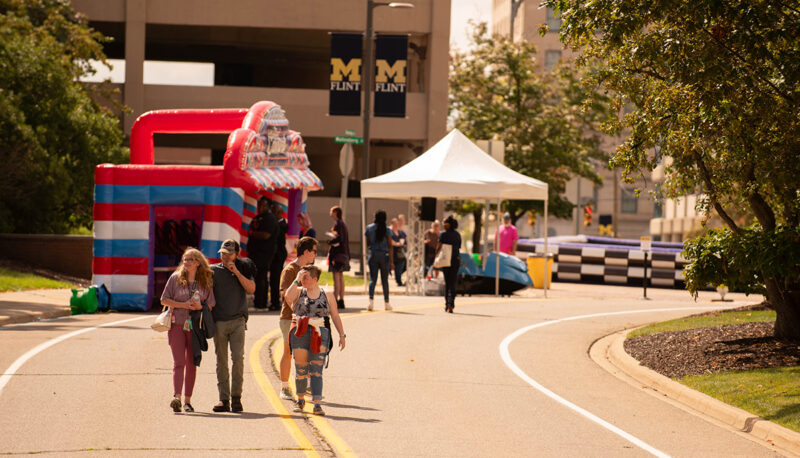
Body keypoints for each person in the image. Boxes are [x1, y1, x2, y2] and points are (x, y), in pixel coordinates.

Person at [285, 265, 346, 416]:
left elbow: (335, 315)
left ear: (315, 279)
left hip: (320, 333)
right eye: (302, 277)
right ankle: (300, 401)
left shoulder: (327, 294)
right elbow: (287, 297)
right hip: (300, 333)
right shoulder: (298, 292)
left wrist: (342, 335)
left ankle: (317, 404)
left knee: (316, 371)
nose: (303, 280)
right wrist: (296, 280)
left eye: (306, 277)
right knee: (300, 369)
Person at [160, 248, 216, 413]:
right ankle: (176, 397)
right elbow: (164, 299)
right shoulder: (175, 278)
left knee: (192, 364)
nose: (186, 262)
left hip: (195, 328)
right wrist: (183, 305)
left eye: (190, 259)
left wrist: (200, 306)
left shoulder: (205, 281)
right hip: (177, 325)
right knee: (179, 363)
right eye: (184, 259)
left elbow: (211, 304)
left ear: (198, 262)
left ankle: (187, 401)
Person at [210, 239, 256, 413]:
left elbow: (251, 288)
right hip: (219, 321)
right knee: (221, 361)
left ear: (237, 254)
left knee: (238, 358)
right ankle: (224, 399)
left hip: (238, 321)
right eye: (223, 253)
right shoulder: (213, 271)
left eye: (229, 253)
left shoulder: (244, 268)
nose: (226, 257)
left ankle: (236, 398)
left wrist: (236, 271)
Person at [278, 236, 318, 401]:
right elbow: (284, 295)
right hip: (289, 317)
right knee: (288, 353)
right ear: (307, 251)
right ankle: (284, 387)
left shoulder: (312, 270)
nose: (315, 255)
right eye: (314, 251)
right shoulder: (291, 269)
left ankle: (305, 384)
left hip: (307, 318)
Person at [249, 196, 278, 309]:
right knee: (258, 277)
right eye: (260, 205)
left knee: (262, 278)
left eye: (264, 205)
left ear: (269, 207)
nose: (261, 207)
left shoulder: (270, 219)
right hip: (256, 252)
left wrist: (252, 234)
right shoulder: (258, 218)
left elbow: (266, 235)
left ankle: (261, 302)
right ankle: (258, 302)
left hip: (265, 253)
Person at [364, 210, 394, 311]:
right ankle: (386, 303)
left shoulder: (369, 228)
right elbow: (390, 246)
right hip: (384, 256)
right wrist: (392, 262)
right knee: (385, 280)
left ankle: (371, 302)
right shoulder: (387, 229)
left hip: (373, 254)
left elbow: (367, 243)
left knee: (373, 279)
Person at [436, 215, 462, 313]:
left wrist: (436, 258)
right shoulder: (457, 235)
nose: (443, 224)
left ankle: (447, 303)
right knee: (453, 282)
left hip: (446, 259)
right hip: (455, 259)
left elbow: (438, 247)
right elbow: (459, 246)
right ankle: (452, 303)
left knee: (447, 282)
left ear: (448, 224)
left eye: (444, 223)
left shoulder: (443, 234)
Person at [327, 206, 349, 309]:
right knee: (340, 277)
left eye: (332, 211)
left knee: (336, 277)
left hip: (337, 254)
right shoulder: (342, 223)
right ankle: (341, 300)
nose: (330, 213)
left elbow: (339, 238)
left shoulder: (339, 224)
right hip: (343, 254)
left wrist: (330, 241)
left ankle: (336, 300)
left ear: (335, 212)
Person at [269, 203, 289, 311]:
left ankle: (275, 302)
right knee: (273, 279)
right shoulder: (278, 224)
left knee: (275, 279)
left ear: (279, 213)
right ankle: (274, 301)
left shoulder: (282, 225)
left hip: (278, 255)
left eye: (274, 212)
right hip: (275, 255)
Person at [390, 217, 407, 286]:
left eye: (397, 224)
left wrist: (401, 243)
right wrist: (396, 244)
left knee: (402, 266)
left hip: (400, 253)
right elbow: (389, 241)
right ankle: (398, 281)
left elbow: (405, 239)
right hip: (392, 253)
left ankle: (398, 279)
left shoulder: (400, 232)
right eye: (395, 224)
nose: (396, 225)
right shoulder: (389, 231)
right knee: (394, 267)